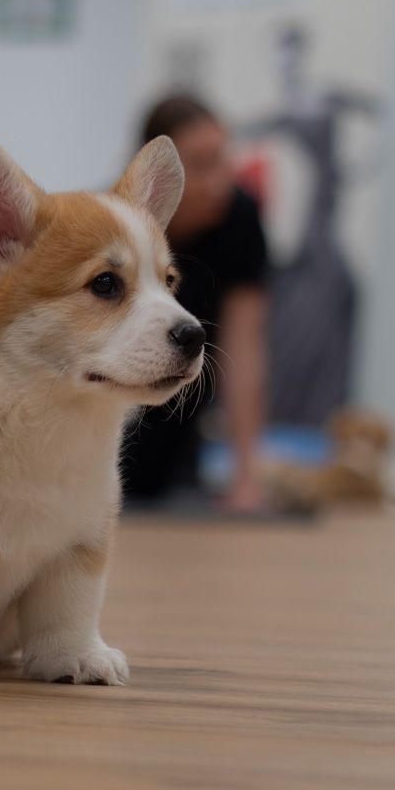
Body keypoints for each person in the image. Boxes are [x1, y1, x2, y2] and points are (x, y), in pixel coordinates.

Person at [122, 92, 268, 511]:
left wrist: (246, 477)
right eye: (200, 166)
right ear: (160, 174)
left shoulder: (239, 219)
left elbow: (245, 350)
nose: (218, 182)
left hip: (182, 407)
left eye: (223, 161)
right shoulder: (111, 220)